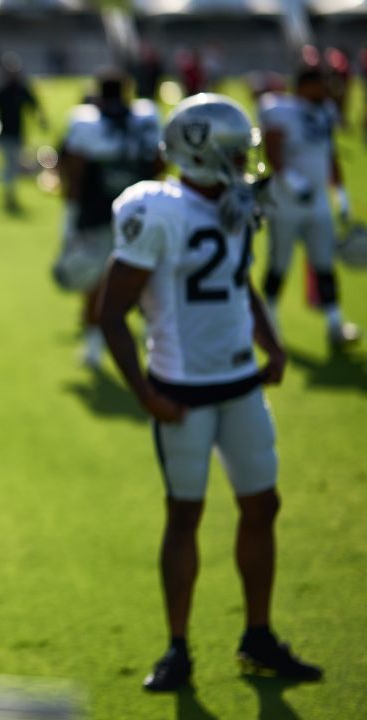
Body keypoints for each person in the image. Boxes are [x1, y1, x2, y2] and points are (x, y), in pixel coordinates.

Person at [98, 94, 323, 692]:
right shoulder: (157, 209)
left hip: (241, 385)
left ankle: (257, 636)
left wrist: (269, 341)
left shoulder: (231, 202)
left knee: (262, 505)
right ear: (207, 151)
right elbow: (112, 311)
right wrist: (144, 394)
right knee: (185, 515)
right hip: (183, 391)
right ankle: (177, 648)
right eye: (236, 152)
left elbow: (235, 278)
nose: (246, 163)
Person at [56, 70, 162, 368]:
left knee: (96, 280)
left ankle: (93, 346)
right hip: (143, 211)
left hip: (98, 211)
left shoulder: (85, 121)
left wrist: (71, 214)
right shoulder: (146, 117)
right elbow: (159, 162)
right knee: (147, 278)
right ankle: (156, 341)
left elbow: (74, 172)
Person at [258, 64, 358, 348]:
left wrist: (340, 193)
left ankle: (335, 324)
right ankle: (270, 321)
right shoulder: (279, 108)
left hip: (318, 203)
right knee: (279, 263)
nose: (325, 89)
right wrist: (291, 182)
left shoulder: (325, 112)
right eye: (320, 83)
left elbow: (329, 153)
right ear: (303, 85)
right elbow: (272, 149)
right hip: (286, 203)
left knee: (324, 263)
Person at [0, 53, 46, 214]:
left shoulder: (21, 89)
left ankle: (10, 192)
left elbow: (33, 104)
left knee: (13, 164)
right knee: (10, 163)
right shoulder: (1, 90)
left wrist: (42, 120)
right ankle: (9, 193)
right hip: (5, 133)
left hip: (18, 132)